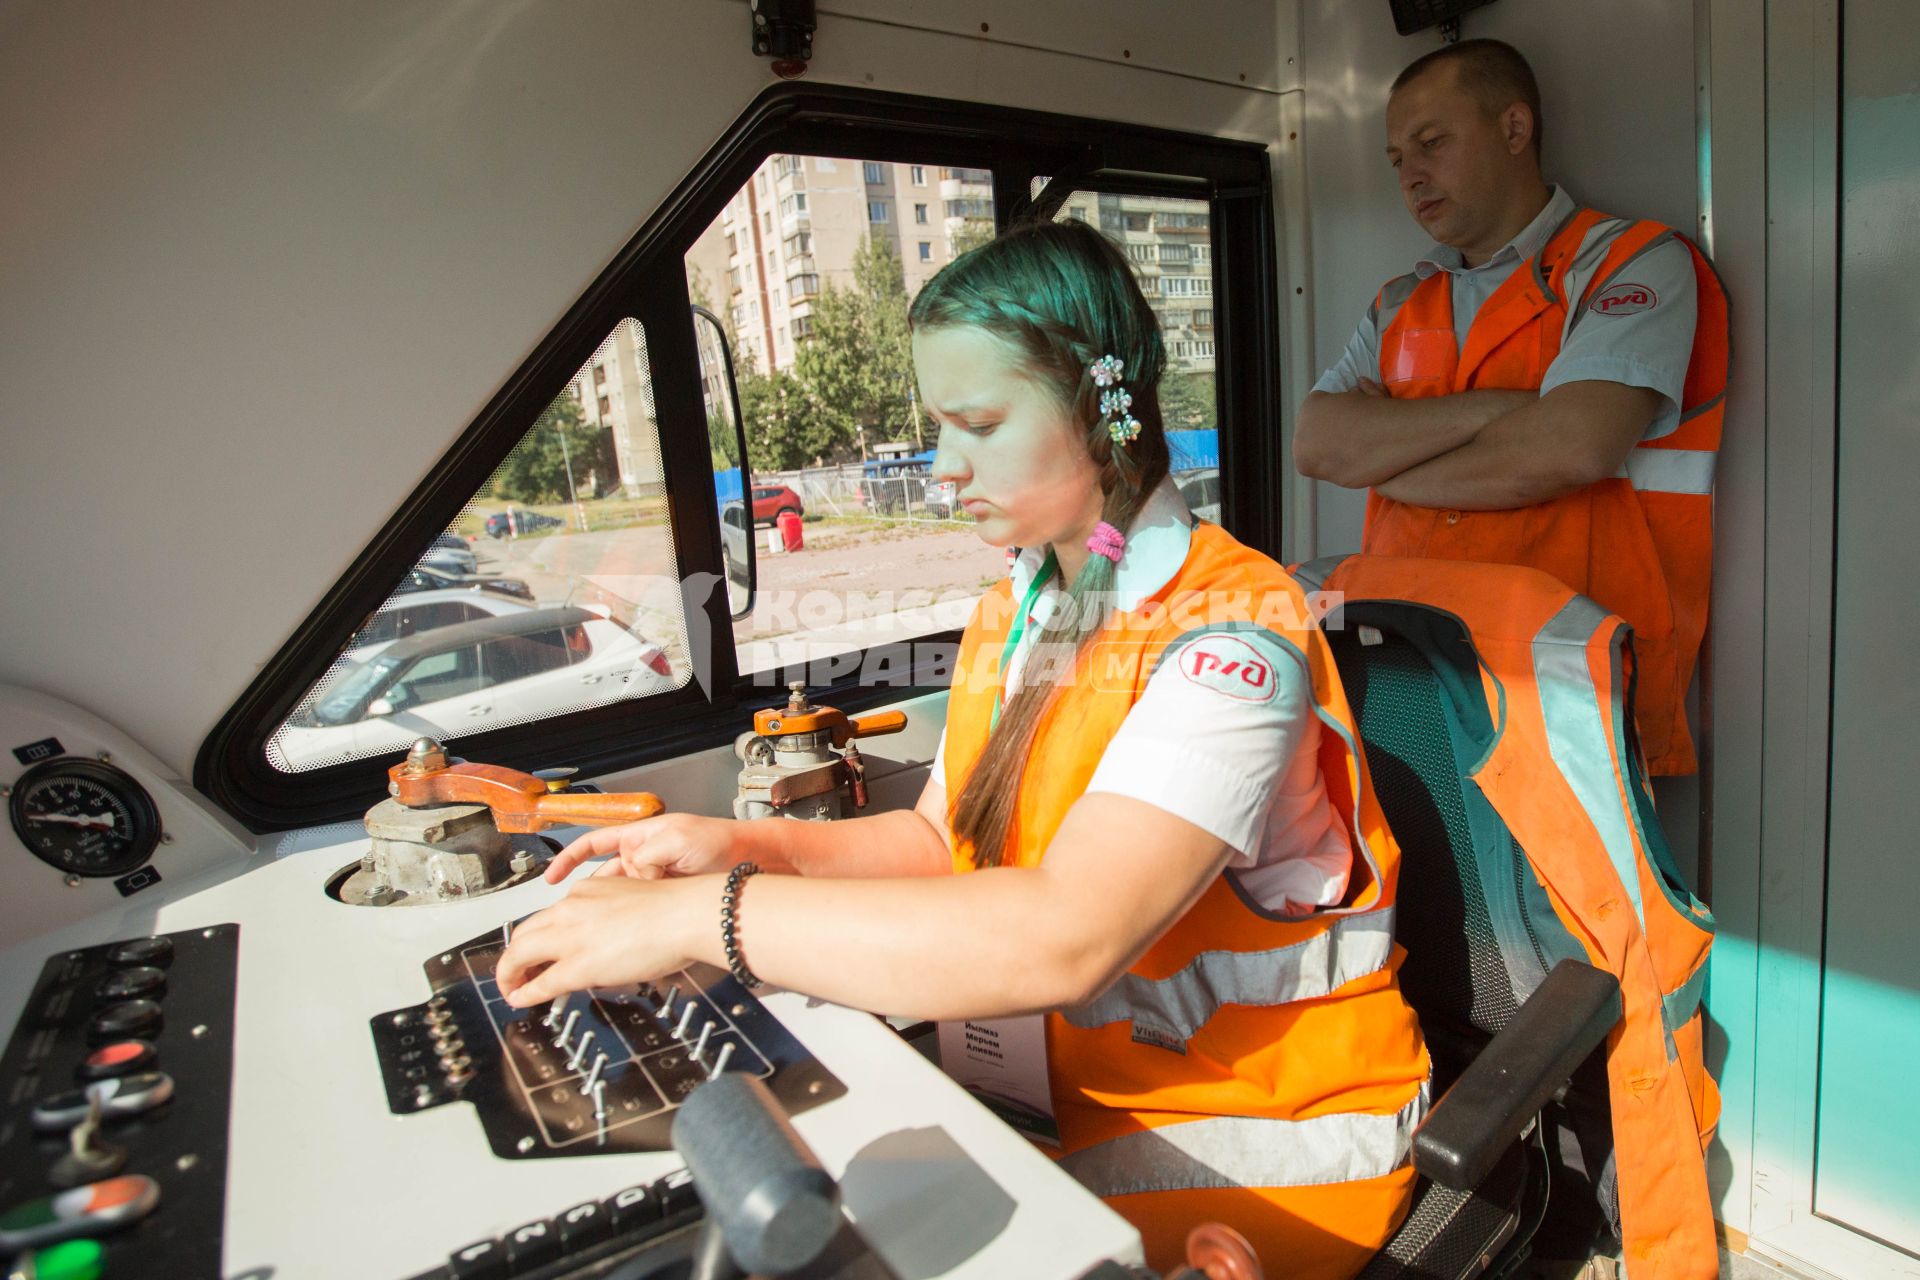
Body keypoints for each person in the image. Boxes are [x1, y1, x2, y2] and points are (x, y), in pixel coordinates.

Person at [497, 219, 1428, 1278]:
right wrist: (737, 849)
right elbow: (943, 839)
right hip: (1060, 1110)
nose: (942, 469)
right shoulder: (1021, 606)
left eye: (978, 422)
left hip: (1251, 1143)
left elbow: (1066, 935)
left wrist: (697, 919)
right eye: (938, 426)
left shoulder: (1231, 636)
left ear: (1099, 411)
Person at [1293, 39, 1728, 777]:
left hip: (1567, 683)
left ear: (1515, 130)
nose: (1411, 175)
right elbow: (1317, 446)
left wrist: (1388, 463)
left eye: (1432, 143)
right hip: (1406, 671)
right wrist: (1500, 411)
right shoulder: (1401, 299)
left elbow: (1571, 449)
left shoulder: (1632, 263)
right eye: (1398, 157)